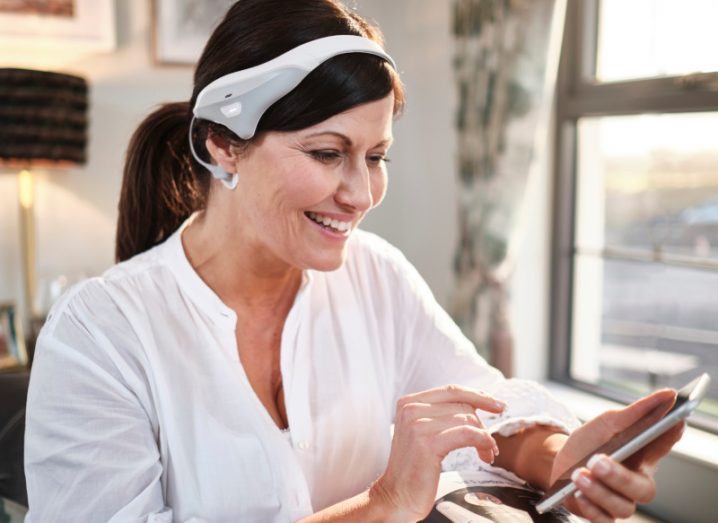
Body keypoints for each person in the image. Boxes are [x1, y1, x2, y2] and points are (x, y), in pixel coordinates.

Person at [24, 1, 684, 522]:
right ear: (223, 144)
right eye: (327, 153)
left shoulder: (376, 274)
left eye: (376, 156)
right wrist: (384, 504)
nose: (361, 193)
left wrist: (568, 459)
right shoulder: (98, 335)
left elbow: (485, 411)